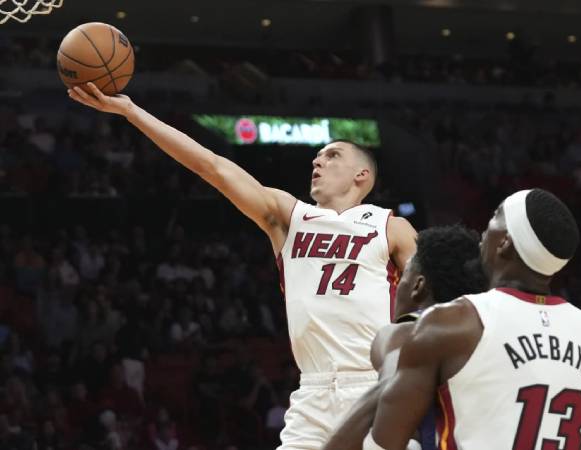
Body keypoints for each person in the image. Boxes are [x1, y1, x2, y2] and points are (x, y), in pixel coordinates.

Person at [67, 83, 417, 449]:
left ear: (362, 175)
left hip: (373, 385)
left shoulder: (391, 226)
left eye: (331, 156)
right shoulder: (289, 216)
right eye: (317, 156)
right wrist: (131, 112)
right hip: (313, 394)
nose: (317, 161)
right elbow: (212, 166)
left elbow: (435, 304)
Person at [364, 189, 581, 450]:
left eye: (495, 217)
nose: (485, 232)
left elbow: (382, 443)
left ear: (505, 243)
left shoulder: (457, 321)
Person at [323, 225, 488, 450]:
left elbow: (386, 393)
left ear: (418, 287)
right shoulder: (491, 332)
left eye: (402, 277)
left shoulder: (407, 331)